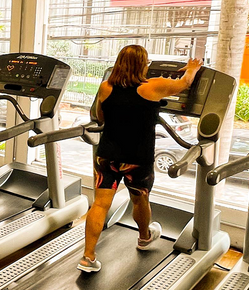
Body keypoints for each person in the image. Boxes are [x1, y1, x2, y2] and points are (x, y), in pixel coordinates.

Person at [79, 46, 202, 273]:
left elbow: (100, 116)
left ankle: (88, 257)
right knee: (140, 199)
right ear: (143, 64)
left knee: (100, 204)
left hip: (107, 155)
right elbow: (185, 83)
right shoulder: (153, 86)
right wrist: (193, 67)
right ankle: (144, 237)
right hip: (137, 158)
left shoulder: (106, 87)